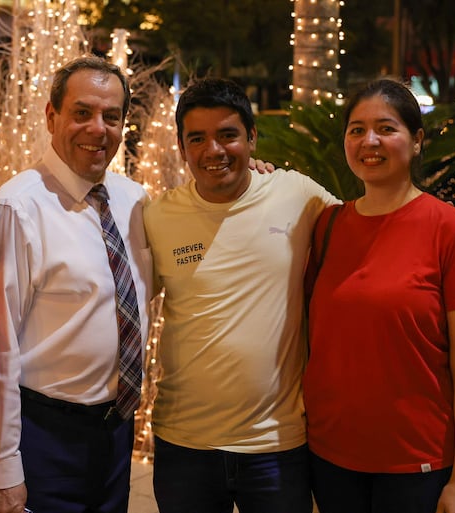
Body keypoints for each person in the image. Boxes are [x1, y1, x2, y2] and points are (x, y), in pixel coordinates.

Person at [143, 77, 338, 513]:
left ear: (251, 137)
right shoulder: (157, 216)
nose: (213, 150)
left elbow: (368, 230)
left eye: (228, 135)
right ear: (182, 147)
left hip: (276, 446)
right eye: (198, 138)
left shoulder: (297, 194)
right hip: (184, 443)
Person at [303, 78, 455, 513]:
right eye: (356, 129)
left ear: (417, 139)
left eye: (386, 128)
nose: (369, 141)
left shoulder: (453, 231)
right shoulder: (327, 225)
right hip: (329, 455)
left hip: (416, 463)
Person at [0, 55, 151, 513]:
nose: (99, 128)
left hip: (115, 432)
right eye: (82, 113)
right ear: (51, 116)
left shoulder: (135, 201)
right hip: (44, 435)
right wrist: (2, 469)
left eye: (112, 116)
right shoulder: (17, 209)